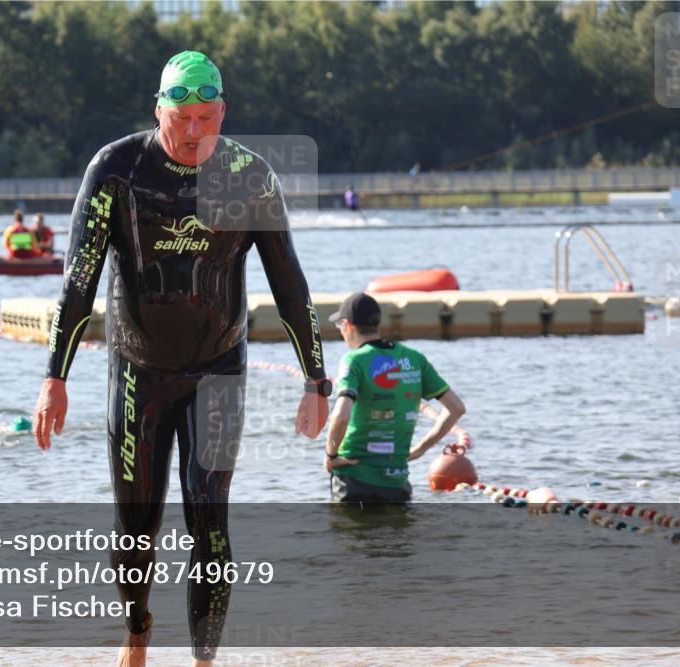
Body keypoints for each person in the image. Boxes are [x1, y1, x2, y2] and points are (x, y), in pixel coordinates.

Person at [33, 50, 330, 667]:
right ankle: (138, 633)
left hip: (218, 370)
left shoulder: (251, 176)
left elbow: (290, 283)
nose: (194, 133)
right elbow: (78, 282)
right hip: (138, 372)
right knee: (136, 527)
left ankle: (203, 660)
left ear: (222, 110)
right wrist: (53, 378)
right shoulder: (116, 170)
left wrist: (316, 379)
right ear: (158, 110)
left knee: (210, 521)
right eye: (181, 117)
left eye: (206, 117)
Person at [324, 292, 466, 504]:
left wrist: (331, 455)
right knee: (397, 536)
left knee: (349, 535)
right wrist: (421, 448)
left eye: (340, 325)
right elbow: (456, 408)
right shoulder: (414, 358)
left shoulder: (354, 360)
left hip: (353, 477)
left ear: (349, 325)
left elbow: (342, 415)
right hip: (396, 481)